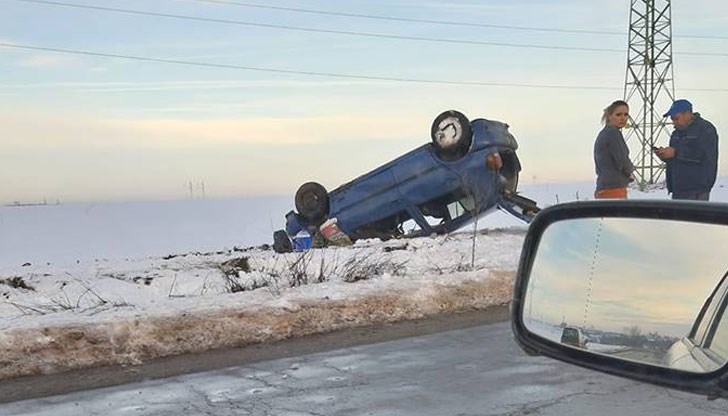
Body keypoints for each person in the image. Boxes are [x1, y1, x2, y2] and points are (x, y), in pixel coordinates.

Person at [654, 99, 719, 201]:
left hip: (698, 189)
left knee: (694, 217)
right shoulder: (676, 134)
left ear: (688, 114)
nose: (674, 122)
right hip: (678, 188)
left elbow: (702, 155)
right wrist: (665, 156)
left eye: (676, 118)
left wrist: (675, 153)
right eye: (672, 119)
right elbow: (676, 158)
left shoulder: (705, 129)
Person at [593, 100, 635, 199]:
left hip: (604, 187)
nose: (623, 118)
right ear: (609, 116)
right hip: (614, 189)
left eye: (626, 115)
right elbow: (622, 160)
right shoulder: (613, 134)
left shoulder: (604, 133)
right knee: (617, 214)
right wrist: (630, 171)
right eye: (618, 114)